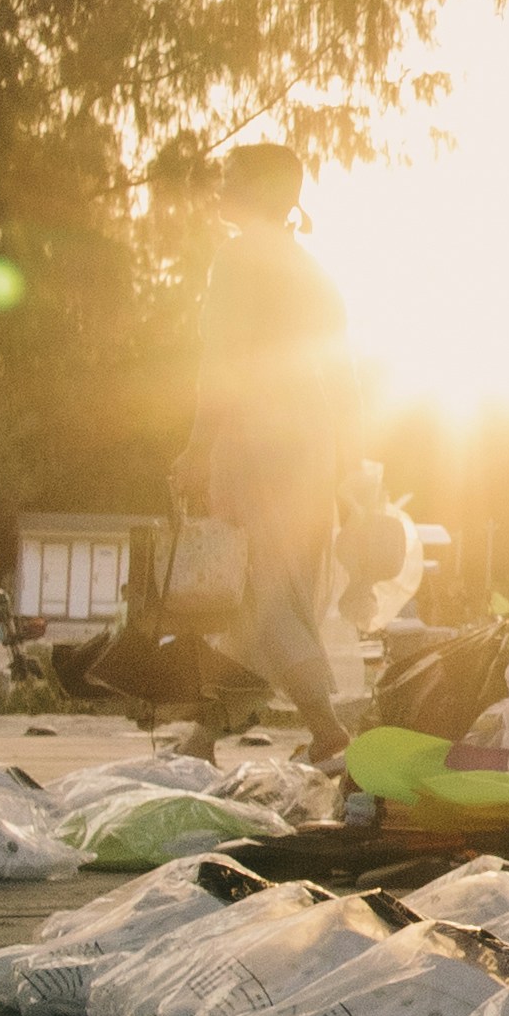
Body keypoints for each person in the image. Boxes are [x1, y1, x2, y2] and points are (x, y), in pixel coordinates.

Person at [181, 144, 363, 753]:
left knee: (256, 585)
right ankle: (207, 732)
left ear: (254, 190)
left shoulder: (237, 257)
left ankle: (326, 727)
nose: (219, 188)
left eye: (229, 178)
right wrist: (345, 458)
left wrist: (197, 447)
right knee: (272, 587)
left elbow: (222, 361)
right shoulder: (309, 267)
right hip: (310, 438)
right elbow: (344, 374)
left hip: (255, 431)